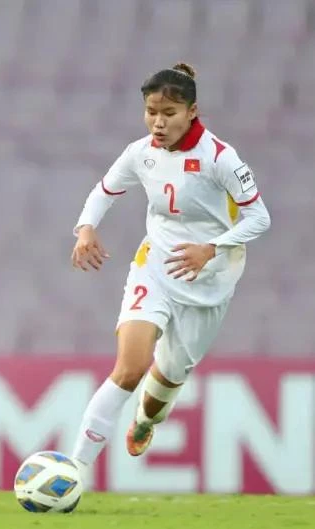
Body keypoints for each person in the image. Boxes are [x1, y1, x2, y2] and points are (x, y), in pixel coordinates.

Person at [69, 63, 270, 473]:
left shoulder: (221, 157)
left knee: (166, 382)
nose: (158, 123)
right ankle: (73, 469)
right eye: (151, 112)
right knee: (129, 368)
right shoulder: (140, 153)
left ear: (192, 112)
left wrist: (211, 248)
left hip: (210, 280)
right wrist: (86, 228)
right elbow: (105, 190)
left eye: (169, 114)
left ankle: (146, 421)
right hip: (155, 266)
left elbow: (259, 218)